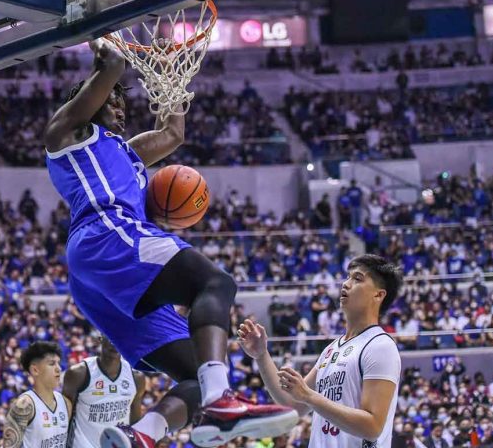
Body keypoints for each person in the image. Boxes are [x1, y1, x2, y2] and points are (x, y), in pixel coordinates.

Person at [41, 37, 295, 448]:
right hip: (107, 234)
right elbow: (110, 68)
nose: (120, 107)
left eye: (124, 103)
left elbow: (174, 132)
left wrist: (169, 71)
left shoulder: (128, 152)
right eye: (113, 102)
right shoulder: (67, 134)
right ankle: (222, 401)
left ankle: (142, 434)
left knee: (195, 371)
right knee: (216, 283)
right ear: (88, 101)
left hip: (96, 271)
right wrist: (102, 41)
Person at [238, 254, 403, 447]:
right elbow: (292, 405)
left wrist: (308, 396)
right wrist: (261, 355)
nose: (346, 283)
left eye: (357, 279)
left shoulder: (380, 345)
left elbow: (372, 426)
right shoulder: (331, 349)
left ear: (378, 294)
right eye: (348, 277)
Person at [63, 335, 146, 447]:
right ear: (101, 338)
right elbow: (63, 417)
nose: (115, 343)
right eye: (111, 337)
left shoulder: (136, 378)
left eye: (120, 338)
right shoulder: (79, 373)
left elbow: (135, 422)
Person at [3, 341, 71, 448]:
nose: (59, 368)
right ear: (35, 370)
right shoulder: (24, 405)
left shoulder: (66, 403)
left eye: (58, 363)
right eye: (52, 364)